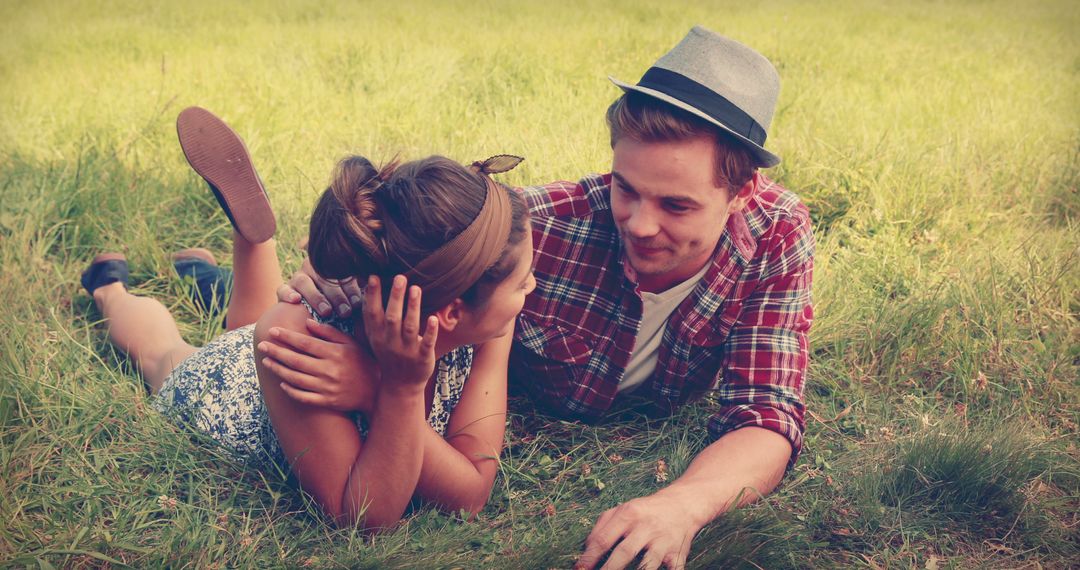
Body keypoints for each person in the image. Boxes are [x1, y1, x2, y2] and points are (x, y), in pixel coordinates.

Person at [273, 26, 813, 569]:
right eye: (625, 188)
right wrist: (325, 273)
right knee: (254, 321)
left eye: (676, 206)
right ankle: (229, 274)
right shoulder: (543, 224)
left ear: (742, 193)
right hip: (439, 362)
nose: (641, 224)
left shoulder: (776, 236)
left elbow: (766, 415)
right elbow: (415, 231)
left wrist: (682, 505)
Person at [80, 107, 536, 530]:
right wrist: (399, 388)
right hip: (230, 394)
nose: (530, 288)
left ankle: (246, 245)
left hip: (273, 342)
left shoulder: (489, 327)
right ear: (453, 311)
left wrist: (377, 390)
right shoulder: (301, 343)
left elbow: (472, 490)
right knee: (164, 355)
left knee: (258, 324)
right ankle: (109, 288)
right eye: (521, 283)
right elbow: (359, 517)